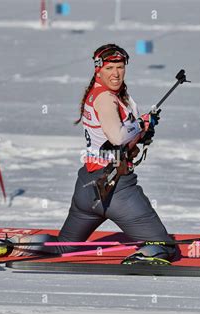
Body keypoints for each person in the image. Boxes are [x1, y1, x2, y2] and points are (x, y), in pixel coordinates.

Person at [16, 43, 179, 265]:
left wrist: (143, 130)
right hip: (116, 190)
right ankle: (137, 261)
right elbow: (118, 137)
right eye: (110, 68)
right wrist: (141, 124)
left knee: (64, 246)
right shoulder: (106, 98)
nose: (116, 73)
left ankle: (18, 244)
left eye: (120, 67)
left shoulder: (106, 95)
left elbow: (120, 138)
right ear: (98, 69)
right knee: (165, 247)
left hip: (87, 187)